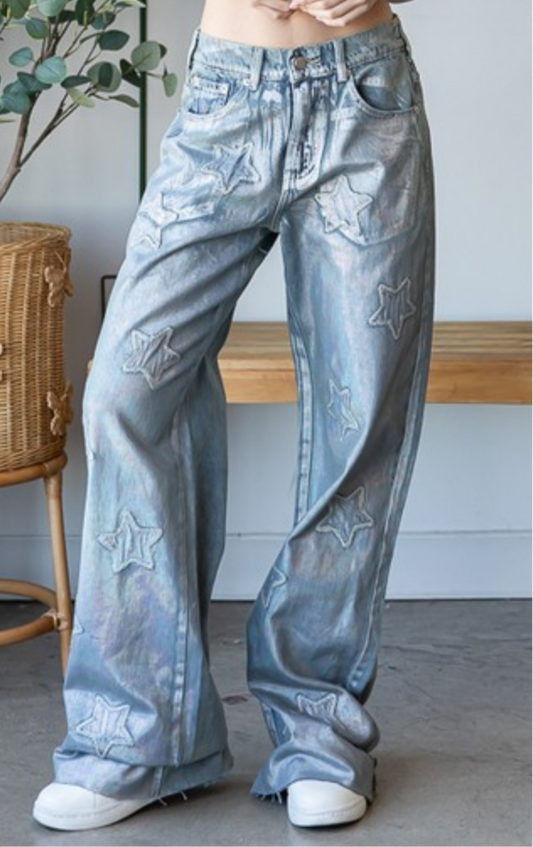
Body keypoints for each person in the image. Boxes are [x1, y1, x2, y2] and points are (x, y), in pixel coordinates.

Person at [32, 0, 435, 831]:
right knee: (126, 394)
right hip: (227, 92)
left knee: (358, 415)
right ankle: (140, 734)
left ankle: (318, 727)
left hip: (365, 95)